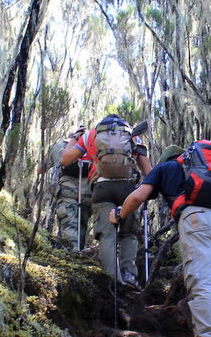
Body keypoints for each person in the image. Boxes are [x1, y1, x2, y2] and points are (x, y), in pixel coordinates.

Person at [109, 144, 211, 337]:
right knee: (210, 281)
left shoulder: (164, 168)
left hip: (197, 219)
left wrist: (119, 215)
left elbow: (138, 197)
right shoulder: (208, 174)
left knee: (200, 279)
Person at [62, 114, 152, 289]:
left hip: (102, 189)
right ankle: (129, 276)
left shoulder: (91, 136)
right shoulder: (133, 135)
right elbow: (149, 172)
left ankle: (112, 278)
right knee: (128, 233)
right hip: (128, 190)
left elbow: (65, 160)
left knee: (107, 234)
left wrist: (74, 138)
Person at [44, 128, 92, 250]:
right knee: (82, 224)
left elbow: (41, 169)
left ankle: (73, 255)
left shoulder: (59, 146)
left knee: (70, 224)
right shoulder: (90, 144)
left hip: (67, 190)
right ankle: (79, 254)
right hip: (88, 192)